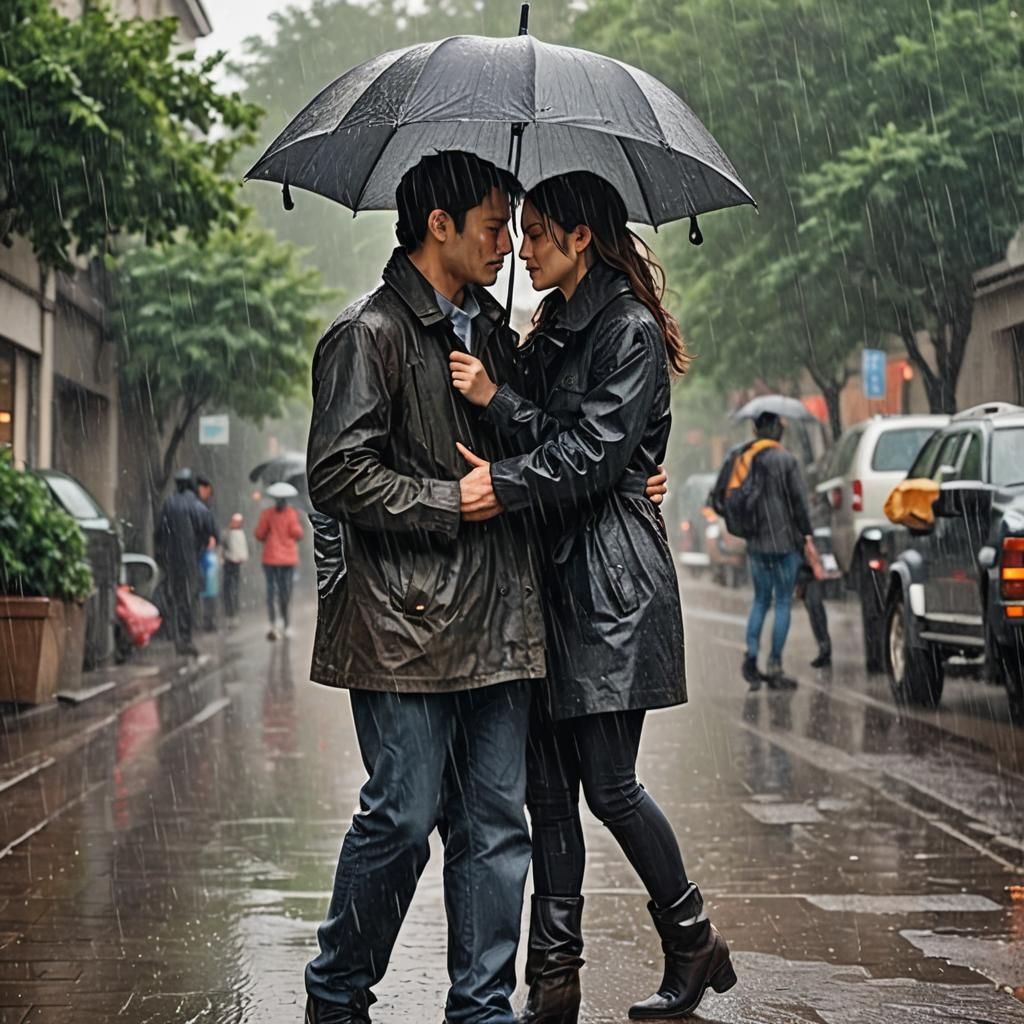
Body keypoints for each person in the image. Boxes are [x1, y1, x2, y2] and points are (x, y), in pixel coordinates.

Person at [449, 171, 735, 1023]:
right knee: (546, 794)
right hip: (548, 576)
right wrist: (500, 385)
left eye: (537, 233)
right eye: (520, 232)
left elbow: (593, 456)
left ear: (581, 238)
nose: (524, 248)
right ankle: (554, 982)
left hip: (610, 585)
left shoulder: (629, 330)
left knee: (609, 785)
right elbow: (556, 433)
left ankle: (692, 937)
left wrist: (504, 463)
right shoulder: (553, 325)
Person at [302, 151, 549, 1024]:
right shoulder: (366, 333)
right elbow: (337, 474)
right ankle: (337, 993)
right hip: (401, 625)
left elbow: (550, 442)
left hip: (501, 618)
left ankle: (482, 1009)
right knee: (402, 817)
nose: (506, 244)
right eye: (493, 225)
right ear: (437, 226)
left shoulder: (498, 338)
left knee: (494, 825)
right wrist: (452, 501)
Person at [739, 411, 823, 690]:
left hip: (756, 542)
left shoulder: (749, 458)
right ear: (776, 429)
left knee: (760, 601)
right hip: (786, 544)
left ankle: (751, 658)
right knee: (783, 602)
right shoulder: (787, 460)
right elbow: (799, 502)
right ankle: (774, 665)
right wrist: (807, 535)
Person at [153, 468, 218, 657]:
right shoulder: (197, 506)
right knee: (188, 600)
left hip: (172, 562)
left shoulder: (168, 504)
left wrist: (164, 555)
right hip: (190, 561)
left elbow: (158, 533)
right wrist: (200, 545)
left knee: (177, 598)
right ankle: (185, 638)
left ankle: (176, 637)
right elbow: (211, 530)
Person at [253, 491, 304, 641]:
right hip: (287, 560)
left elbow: (259, 534)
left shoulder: (267, 514)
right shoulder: (292, 513)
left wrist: (270, 530)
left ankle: (273, 623)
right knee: (285, 591)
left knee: (271, 591)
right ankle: (286, 623)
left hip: (271, 559)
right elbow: (298, 533)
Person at [221, 512, 248, 627]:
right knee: (229, 590)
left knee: (232, 589)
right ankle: (230, 614)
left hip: (234, 564)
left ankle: (233, 614)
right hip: (229, 563)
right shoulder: (228, 533)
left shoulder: (236, 534)